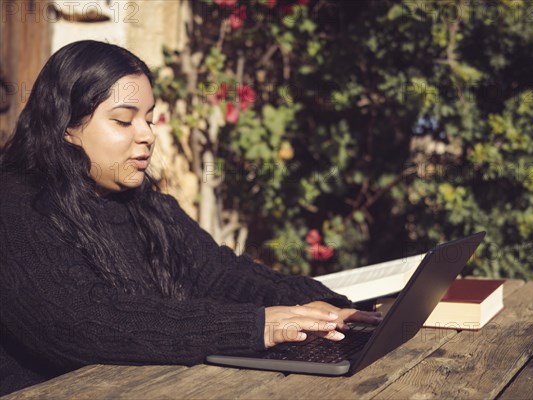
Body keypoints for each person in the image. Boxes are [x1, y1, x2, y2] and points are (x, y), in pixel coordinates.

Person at [0, 40, 381, 395]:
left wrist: (323, 307)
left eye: (148, 118)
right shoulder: (16, 207)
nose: (147, 134)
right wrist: (255, 326)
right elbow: (80, 322)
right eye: (123, 120)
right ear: (66, 127)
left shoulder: (146, 205)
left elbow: (219, 274)